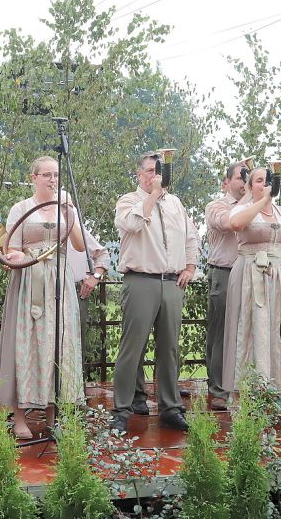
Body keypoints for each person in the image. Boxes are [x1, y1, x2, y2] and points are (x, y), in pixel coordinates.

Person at [0, 156, 86, 439]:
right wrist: (22, 256)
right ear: (33, 178)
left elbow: (79, 244)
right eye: (46, 174)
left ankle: (53, 414)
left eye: (56, 175)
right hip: (29, 282)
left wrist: (69, 211)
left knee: (58, 343)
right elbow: (9, 247)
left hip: (59, 281)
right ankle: (20, 416)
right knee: (26, 343)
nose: (52, 179)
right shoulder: (21, 208)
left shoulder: (65, 208)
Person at [110, 153, 198, 433]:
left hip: (172, 283)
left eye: (159, 171)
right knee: (131, 349)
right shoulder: (127, 201)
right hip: (140, 281)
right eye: (149, 171)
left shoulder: (175, 203)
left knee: (170, 349)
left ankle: (170, 408)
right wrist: (154, 193)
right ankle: (122, 410)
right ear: (139, 175)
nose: (155, 176)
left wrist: (190, 267)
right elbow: (132, 224)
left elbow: (191, 236)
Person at [222, 167, 281, 400]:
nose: (264, 184)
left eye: (267, 180)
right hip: (250, 275)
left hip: (280, 279)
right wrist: (263, 201)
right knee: (250, 329)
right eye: (259, 181)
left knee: (276, 328)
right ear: (250, 187)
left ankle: (277, 391)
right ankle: (248, 392)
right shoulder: (241, 208)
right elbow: (237, 225)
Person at [202, 162, 246, 411]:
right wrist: (251, 199)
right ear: (226, 182)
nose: (244, 183)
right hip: (225, 272)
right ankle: (218, 389)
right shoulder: (216, 205)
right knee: (221, 333)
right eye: (241, 178)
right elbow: (229, 223)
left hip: (250, 272)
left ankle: (241, 384)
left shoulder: (254, 206)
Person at [65, 216, 110, 376]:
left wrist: (94, 277)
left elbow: (103, 255)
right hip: (43, 291)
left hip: (76, 292)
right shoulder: (39, 229)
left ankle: (74, 394)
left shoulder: (76, 229)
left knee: (75, 345)